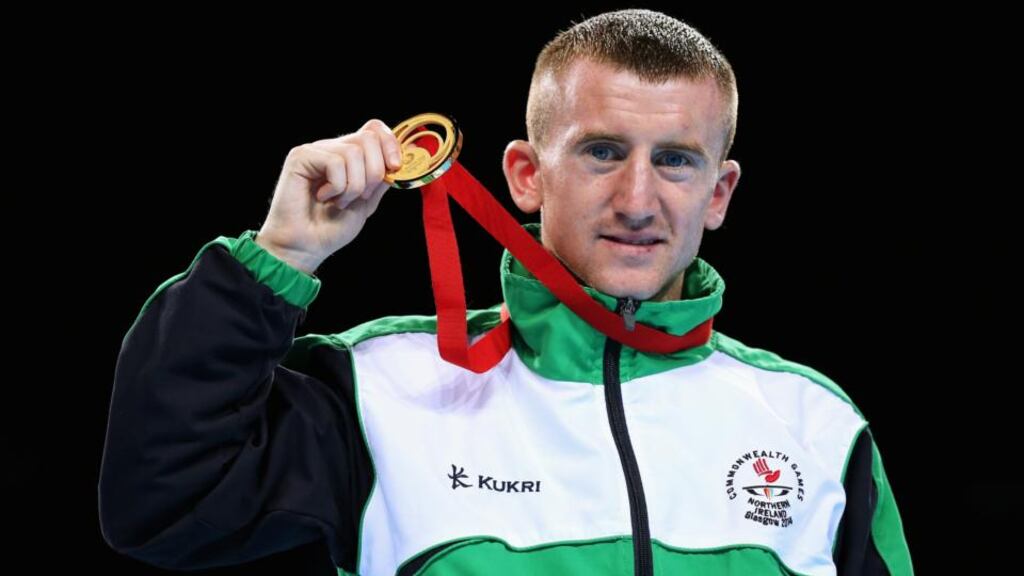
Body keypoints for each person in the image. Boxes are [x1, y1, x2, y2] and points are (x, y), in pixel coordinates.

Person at [99, 8, 913, 576]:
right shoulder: (381, 390)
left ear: (720, 191)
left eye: (675, 159)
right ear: (526, 175)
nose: (637, 198)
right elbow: (161, 502)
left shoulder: (815, 425)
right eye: (600, 151)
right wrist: (280, 255)